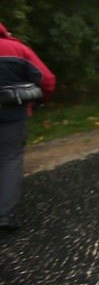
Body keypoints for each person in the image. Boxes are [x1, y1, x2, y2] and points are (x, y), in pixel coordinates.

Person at [0, 22, 56, 232]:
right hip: (10, 114)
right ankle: (6, 214)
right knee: (9, 159)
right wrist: (40, 101)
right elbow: (47, 79)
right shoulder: (16, 49)